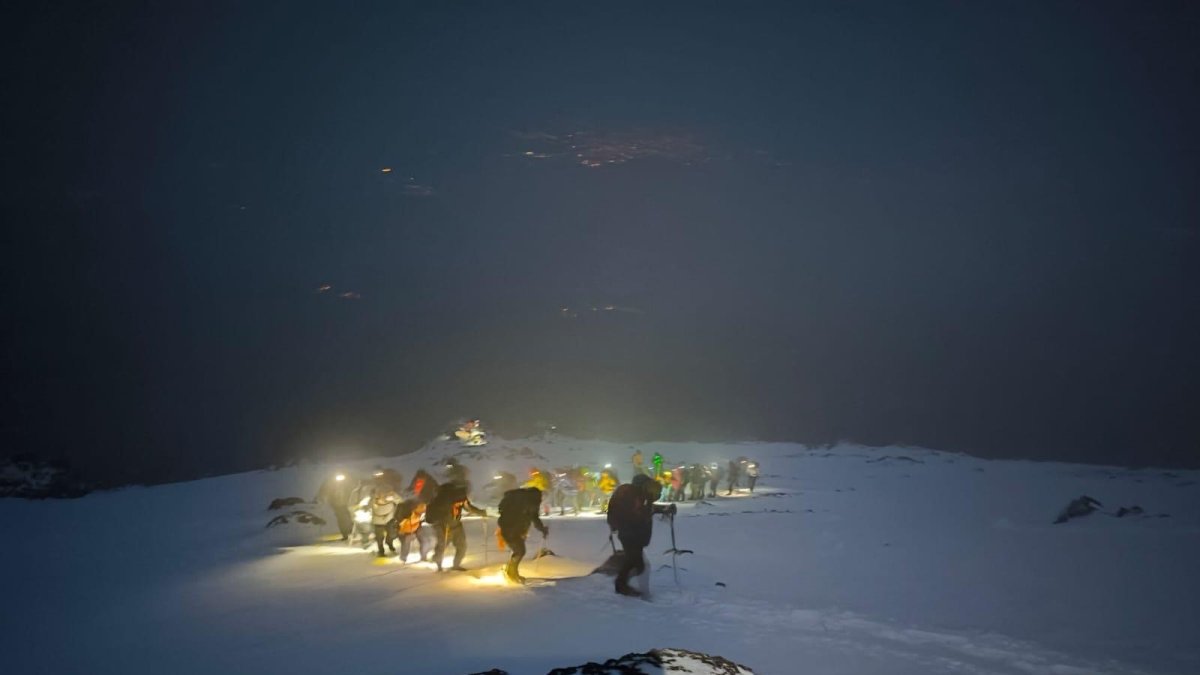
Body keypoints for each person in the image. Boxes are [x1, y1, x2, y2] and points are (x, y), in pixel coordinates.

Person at [606, 473, 675, 596]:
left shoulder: (634, 494)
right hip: (630, 533)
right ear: (643, 485)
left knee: (635, 561)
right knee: (636, 562)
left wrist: (661, 509)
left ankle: (624, 585)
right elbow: (639, 513)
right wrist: (654, 510)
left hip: (630, 532)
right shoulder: (633, 495)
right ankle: (622, 585)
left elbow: (643, 509)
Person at [425, 482, 486, 571]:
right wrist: (441, 521)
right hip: (443, 527)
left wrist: (481, 512)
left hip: (456, 525)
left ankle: (456, 565)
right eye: (459, 503)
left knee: (462, 546)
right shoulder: (442, 500)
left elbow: (469, 507)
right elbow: (432, 515)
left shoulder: (461, 497)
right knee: (442, 547)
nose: (461, 504)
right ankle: (438, 565)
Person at [497, 487, 549, 583]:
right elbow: (535, 518)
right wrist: (542, 529)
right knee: (520, 551)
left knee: (518, 551)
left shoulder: (519, 499)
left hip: (510, 527)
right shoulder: (531, 502)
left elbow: (533, 517)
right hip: (512, 529)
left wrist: (541, 529)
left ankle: (511, 572)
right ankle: (510, 573)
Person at [314, 473, 354, 540]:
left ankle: (351, 530)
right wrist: (322, 499)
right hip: (337, 505)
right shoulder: (331, 485)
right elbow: (324, 491)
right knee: (341, 520)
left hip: (346, 504)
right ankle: (345, 534)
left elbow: (352, 490)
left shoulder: (347, 484)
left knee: (349, 518)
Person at [370, 487, 401, 556]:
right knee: (379, 537)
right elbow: (369, 504)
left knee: (392, 534)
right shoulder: (374, 496)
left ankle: (389, 542)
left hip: (390, 518)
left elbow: (400, 501)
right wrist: (376, 500)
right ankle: (381, 551)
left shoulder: (391, 494)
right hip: (377, 520)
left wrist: (392, 498)